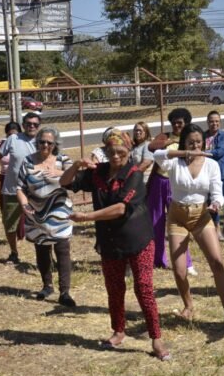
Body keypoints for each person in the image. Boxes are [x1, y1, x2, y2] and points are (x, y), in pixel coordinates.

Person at [61, 129, 170, 361]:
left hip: (138, 239)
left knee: (143, 288)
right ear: (105, 152)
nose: (116, 156)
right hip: (110, 241)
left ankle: (156, 338)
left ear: (128, 151)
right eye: (111, 151)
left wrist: (87, 218)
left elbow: (121, 208)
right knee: (114, 287)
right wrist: (77, 164)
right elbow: (65, 182)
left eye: (121, 151)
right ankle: (118, 331)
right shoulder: (98, 173)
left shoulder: (134, 175)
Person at [153, 124, 224, 331]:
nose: (195, 145)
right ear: (183, 143)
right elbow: (157, 155)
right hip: (177, 216)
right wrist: (183, 152)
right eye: (191, 142)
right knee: (180, 269)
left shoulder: (211, 165)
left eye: (199, 142)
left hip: (201, 215)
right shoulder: (175, 162)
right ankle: (188, 305)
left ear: (205, 142)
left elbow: (217, 191)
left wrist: (217, 203)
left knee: (217, 263)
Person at [16, 126, 77, 307]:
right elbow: (20, 187)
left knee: (62, 249)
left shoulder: (63, 160)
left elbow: (76, 178)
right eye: (42, 141)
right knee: (42, 249)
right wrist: (24, 204)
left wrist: (59, 173)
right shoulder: (28, 161)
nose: (45, 145)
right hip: (36, 212)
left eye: (49, 143)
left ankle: (65, 291)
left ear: (55, 144)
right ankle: (47, 285)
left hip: (59, 212)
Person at [0, 112, 40, 264]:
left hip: (34, 190)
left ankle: (44, 254)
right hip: (12, 189)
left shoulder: (43, 141)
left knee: (40, 223)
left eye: (35, 124)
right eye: (28, 123)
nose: (32, 126)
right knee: (10, 224)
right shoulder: (13, 139)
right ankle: (14, 253)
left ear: (39, 126)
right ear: (24, 125)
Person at [146, 108, 196, 274]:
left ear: (186, 123)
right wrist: (167, 143)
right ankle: (158, 260)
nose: (176, 125)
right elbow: (152, 146)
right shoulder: (165, 136)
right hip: (159, 181)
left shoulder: (189, 138)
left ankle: (187, 263)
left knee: (180, 223)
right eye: (174, 122)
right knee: (156, 222)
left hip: (177, 184)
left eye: (180, 123)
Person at [204, 111, 224, 244]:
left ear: (220, 122)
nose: (214, 123)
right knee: (213, 203)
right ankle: (217, 229)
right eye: (212, 121)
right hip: (208, 175)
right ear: (208, 122)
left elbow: (220, 151)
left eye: (217, 121)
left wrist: (202, 153)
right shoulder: (203, 135)